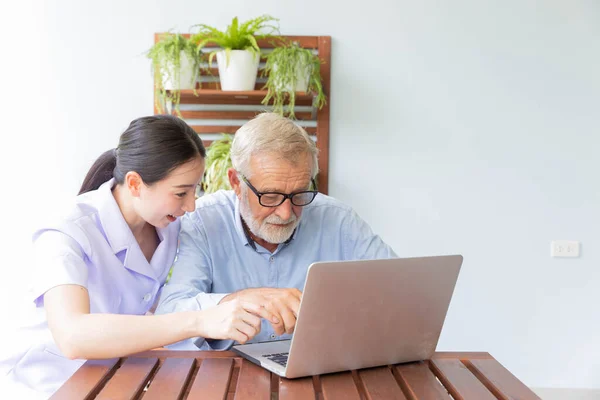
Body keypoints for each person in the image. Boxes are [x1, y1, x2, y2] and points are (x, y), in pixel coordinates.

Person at [0, 115, 275, 399]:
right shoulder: (66, 230)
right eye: (181, 192)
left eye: (195, 190)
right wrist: (198, 320)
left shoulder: (165, 227)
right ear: (134, 184)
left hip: (109, 377)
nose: (191, 205)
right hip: (44, 384)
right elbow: (72, 335)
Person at [156, 112, 397, 351]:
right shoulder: (203, 222)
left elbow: (399, 292)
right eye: (270, 196)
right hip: (227, 376)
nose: (285, 213)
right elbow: (170, 315)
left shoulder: (337, 220)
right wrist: (236, 300)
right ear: (236, 183)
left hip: (316, 370)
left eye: (299, 194)